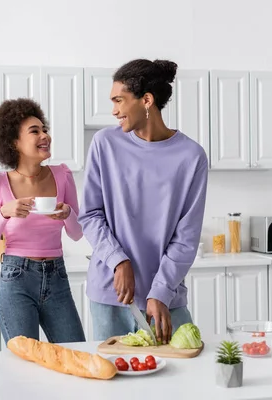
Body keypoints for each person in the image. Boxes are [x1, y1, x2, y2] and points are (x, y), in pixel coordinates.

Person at [78, 59, 208, 344]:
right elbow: (89, 215)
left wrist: (160, 290)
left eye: (119, 101)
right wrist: (118, 260)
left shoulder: (191, 157)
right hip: (110, 295)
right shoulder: (104, 144)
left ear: (146, 100)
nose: (114, 111)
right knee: (113, 382)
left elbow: (186, 238)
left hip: (164, 298)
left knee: (176, 380)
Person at [0, 98, 85, 344]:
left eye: (44, 129)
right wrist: (3, 213)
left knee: (77, 354)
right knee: (26, 368)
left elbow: (77, 234)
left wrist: (68, 215)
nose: (44, 135)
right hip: (17, 280)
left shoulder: (63, 175)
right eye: (34, 131)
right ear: (14, 142)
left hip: (57, 276)